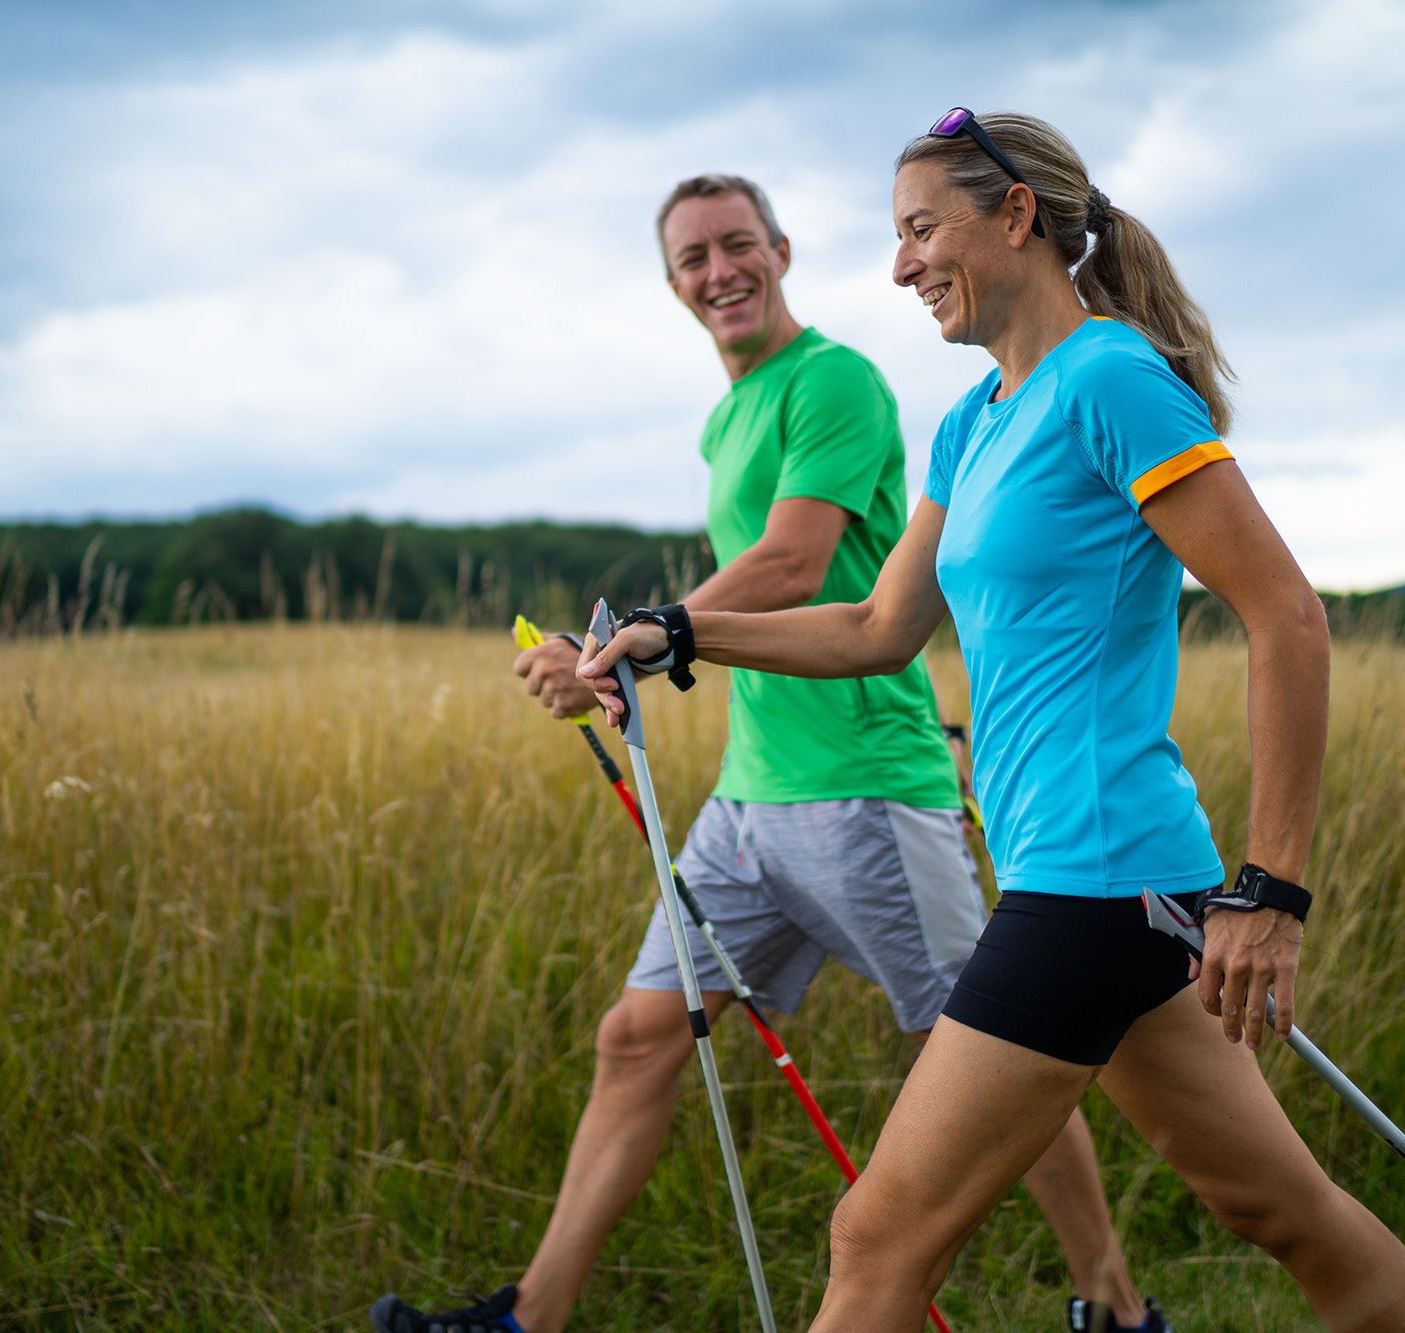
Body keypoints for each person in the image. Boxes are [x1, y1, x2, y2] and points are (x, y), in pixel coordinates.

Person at [579, 114, 1405, 1332]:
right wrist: (678, 631)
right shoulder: (973, 421)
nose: (899, 268)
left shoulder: (1108, 379)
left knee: (876, 1237)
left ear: (1014, 217)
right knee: (1280, 1212)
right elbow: (876, 628)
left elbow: (1286, 618)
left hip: (1097, 895)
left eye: (920, 230)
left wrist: (1272, 891)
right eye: (894, 239)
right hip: (1103, 884)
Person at [372, 173, 1166, 1333]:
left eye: (737, 245)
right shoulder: (726, 414)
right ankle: (525, 1320)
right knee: (638, 1034)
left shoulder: (832, 381)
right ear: (673, 284)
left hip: (865, 793)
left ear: (781, 252)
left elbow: (797, 564)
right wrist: (632, 652)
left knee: (1004, 1053)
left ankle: (1114, 1308)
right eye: (693, 258)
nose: (719, 271)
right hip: (747, 804)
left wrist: (621, 651)